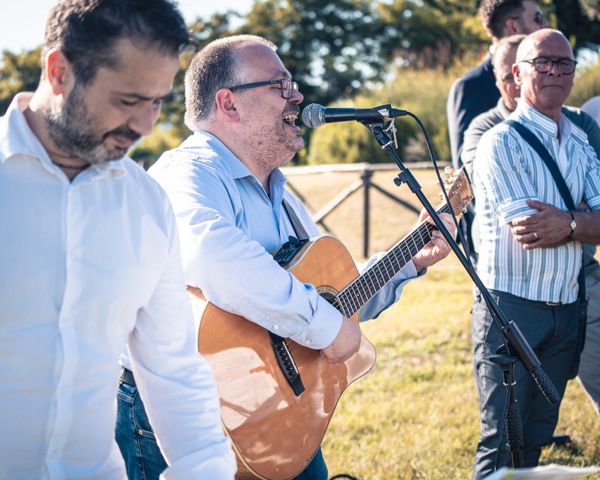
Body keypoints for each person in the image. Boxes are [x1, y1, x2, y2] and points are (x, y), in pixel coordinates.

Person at [112, 34, 455, 480]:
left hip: (276, 410)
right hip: (173, 411)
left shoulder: (281, 194)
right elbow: (210, 252)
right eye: (280, 85)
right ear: (228, 103)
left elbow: (330, 295)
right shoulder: (188, 172)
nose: (298, 96)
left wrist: (411, 258)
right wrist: (322, 324)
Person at [0, 1, 236, 478]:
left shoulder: (148, 206)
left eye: (157, 103)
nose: (146, 126)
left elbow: (173, 370)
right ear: (59, 72)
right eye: (128, 101)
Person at [461, 35, 600, 441]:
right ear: (516, 74)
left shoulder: (578, 133)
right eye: (541, 63)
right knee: (504, 437)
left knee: (555, 417)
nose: (553, 70)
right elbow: (529, 227)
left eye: (563, 63)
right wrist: (585, 214)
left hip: (575, 292)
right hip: (514, 304)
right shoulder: (494, 134)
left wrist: (569, 222)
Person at [446, 0, 548, 261]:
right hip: (495, 242)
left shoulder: (548, 77)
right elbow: (466, 174)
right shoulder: (471, 86)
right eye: (538, 17)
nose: (545, 24)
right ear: (513, 26)